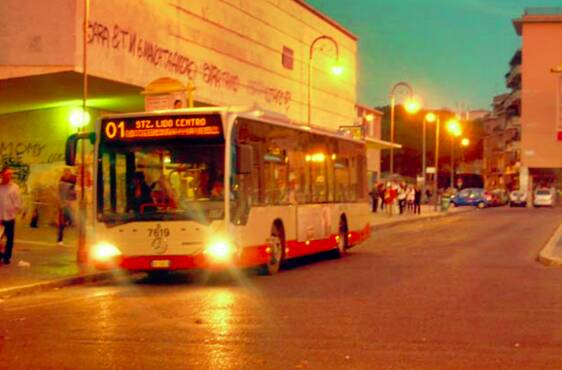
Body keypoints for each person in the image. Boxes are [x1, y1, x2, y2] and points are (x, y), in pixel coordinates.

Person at [0, 167, 22, 265]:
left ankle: (7, 257)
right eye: (7, 174)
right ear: (2, 175)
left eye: (10, 174)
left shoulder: (14, 187)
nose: (9, 176)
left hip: (9, 216)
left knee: (9, 238)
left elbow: (17, 202)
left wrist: (15, 210)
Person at [57, 168, 77, 245]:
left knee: (70, 219)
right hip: (63, 204)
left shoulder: (73, 180)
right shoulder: (61, 180)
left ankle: (68, 223)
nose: (66, 174)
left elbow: (74, 192)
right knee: (62, 222)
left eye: (67, 173)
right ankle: (60, 239)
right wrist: (59, 201)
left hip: (69, 203)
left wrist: (72, 201)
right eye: (65, 173)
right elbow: (59, 191)